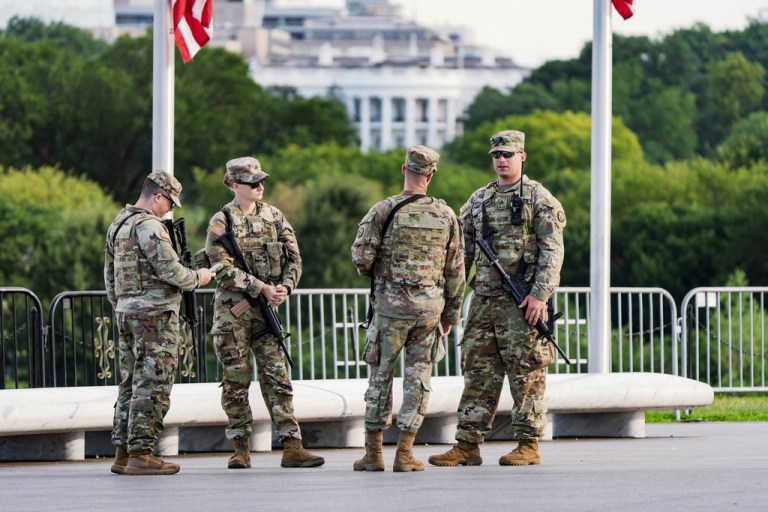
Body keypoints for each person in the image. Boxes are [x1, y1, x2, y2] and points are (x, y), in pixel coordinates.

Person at [428, 130, 566, 467]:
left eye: (508, 154)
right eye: (496, 155)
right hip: (485, 302)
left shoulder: (539, 199)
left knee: (527, 375)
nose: (501, 160)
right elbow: (462, 257)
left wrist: (539, 295)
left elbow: (552, 252)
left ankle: (528, 444)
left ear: (522, 156)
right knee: (478, 373)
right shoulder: (478, 201)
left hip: (522, 305)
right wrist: (450, 305)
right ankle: (467, 445)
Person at [351, 145, 465, 472]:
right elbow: (456, 270)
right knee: (418, 379)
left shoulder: (383, 210)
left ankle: (373, 454)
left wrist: (381, 274)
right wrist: (450, 315)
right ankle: (405, 454)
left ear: (404, 170)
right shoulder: (446, 215)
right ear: (430, 175)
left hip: (389, 309)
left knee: (380, 377)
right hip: (429, 312)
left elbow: (361, 258)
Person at [204, 156, 324, 470]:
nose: (259, 186)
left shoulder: (274, 216)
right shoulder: (222, 221)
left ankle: (292, 444)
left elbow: (294, 258)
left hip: (266, 308)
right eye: (252, 182)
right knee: (236, 380)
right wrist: (261, 288)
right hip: (234, 313)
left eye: (261, 181)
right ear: (233, 185)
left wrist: (285, 286)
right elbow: (220, 267)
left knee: (277, 377)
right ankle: (240, 447)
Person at [104, 169, 216, 475]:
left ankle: (122, 452)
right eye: (170, 202)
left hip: (127, 313)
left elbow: (110, 276)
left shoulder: (119, 223)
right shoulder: (150, 227)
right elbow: (171, 271)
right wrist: (199, 277)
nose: (171, 209)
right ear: (157, 196)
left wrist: (123, 306)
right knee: (153, 384)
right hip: (155, 316)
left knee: (129, 383)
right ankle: (142, 453)